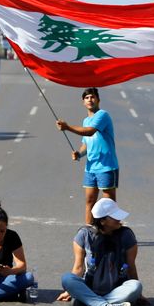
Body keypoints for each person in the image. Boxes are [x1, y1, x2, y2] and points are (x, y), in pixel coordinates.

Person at [57, 198, 142, 306]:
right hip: (90, 287)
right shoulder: (84, 235)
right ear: (102, 221)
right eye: (115, 217)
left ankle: (87, 303)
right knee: (67, 279)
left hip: (117, 290)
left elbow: (131, 266)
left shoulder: (127, 235)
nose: (120, 219)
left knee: (136, 286)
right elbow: (78, 268)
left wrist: (139, 294)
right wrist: (70, 290)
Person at [56, 87, 119, 224]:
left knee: (109, 203)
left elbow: (89, 132)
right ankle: (89, 232)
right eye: (87, 97)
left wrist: (68, 127)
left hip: (106, 166)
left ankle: (114, 233)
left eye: (92, 97)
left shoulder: (102, 115)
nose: (90, 100)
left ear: (98, 100)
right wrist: (79, 153)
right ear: (83, 102)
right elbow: (86, 144)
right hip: (91, 168)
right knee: (90, 201)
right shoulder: (85, 121)